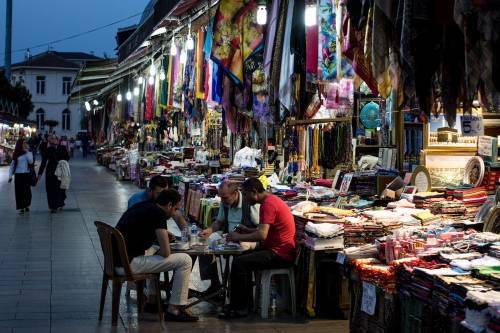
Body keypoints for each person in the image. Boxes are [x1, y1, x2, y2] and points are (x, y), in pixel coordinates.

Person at [218, 177, 296, 319]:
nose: (246, 199)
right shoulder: (270, 201)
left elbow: (261, 235)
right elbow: (263, 231)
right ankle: (243, 304)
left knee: (239, 263)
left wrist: (238, 237)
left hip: (280, 254)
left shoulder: (268, 205)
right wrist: (246, 230)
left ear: (254, 192)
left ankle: (239, 308)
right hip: (276, 249)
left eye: (246, 194)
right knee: (241, 258)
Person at [116, 189, 198, 322]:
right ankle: (174, 309)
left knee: (154, 251)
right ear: (169, 205)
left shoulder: (144, 205)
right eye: (175, 209)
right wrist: (163, 247)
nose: (173, 214)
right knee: (185, 260)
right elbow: (165, 252)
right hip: (127, 264)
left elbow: (142, 233)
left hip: (117, 260)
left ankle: (153, 300)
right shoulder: (159, 215)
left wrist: (161, 239)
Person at [200, 180, 260, 247]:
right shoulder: (224, 202)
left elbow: (260, 230)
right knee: (206, 243)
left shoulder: (250, 203)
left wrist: (242, 236)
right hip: (230, 238)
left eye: (225, 198)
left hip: (247, 241)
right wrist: (210, 230)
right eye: (221, 197)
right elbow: (219, 222)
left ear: (235, 193)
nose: (222, 200)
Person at [38, 134, 66, 213]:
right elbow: (44, 162)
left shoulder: (62, 148)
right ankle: (53, 207)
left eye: (54, 138)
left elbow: (67, 158)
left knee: (60, 189)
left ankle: (60, 203)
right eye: (51, 139)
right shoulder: (48, 149)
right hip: (50, 172)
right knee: (50, 189)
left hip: (60, 171)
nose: (53, 140)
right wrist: (40, 173)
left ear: (57, 140)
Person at [8, 139, 34, 214]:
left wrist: (27, 152)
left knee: (27, 191)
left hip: (26, 174)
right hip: (18, 175)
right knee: (19, 192)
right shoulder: (16, 154)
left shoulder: (29, 153)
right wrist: (10, 176)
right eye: (23, 143)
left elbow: (31, 161)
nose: (25, 144)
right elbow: (12, 166)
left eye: (26, 143)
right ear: (20, 145)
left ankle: (27, 205)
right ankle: (21, 207)